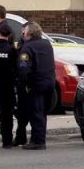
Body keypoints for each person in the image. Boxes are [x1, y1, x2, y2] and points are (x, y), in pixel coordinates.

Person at [17, 21, 56, 150]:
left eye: (24, 31)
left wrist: (24, 84)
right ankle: (38, 138)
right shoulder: (47, 44)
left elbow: (23, 69)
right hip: (49, 83)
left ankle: (38, 141)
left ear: (28, 33)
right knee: (42, 112)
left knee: (36, 113)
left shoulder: (27, 48)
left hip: (36, 84)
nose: (22, 34)